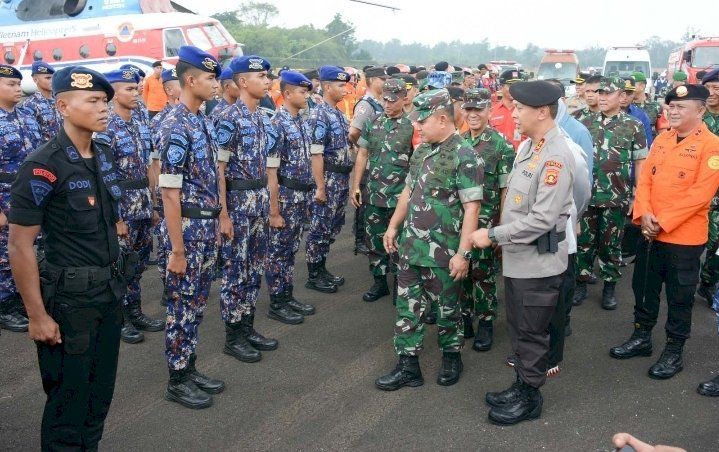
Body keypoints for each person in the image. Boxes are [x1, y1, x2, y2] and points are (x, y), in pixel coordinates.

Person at [8, 66, 127, 450]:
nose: (103, 108)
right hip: (70, 300)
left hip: (108, 293)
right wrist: (37, 316)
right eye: (92, 100)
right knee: (68, 404)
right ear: (62, 105)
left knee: (99, 398)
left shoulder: (104, 154)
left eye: (105, 101)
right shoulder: (43, 165)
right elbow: (20, 245)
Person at [471, 80, 574, 426]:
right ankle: (521, 385)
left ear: (542, 112)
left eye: (519, 108)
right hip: (521, 261)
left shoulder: (557, 154)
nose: (512, 113)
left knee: (531, 333)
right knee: (519, 330)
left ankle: (531, 398)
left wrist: (493, 234)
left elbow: (543, 218)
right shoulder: (533, 146)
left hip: (538, 264)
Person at [374, 88, 483, 391]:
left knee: (448, 310)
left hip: (444, 253)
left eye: (422, 122)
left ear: (442, 119)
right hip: (411, 248)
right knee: (407, 308)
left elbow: (472, 209)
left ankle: (451, 357)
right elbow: (408, 192)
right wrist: (394, 226)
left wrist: (463, 254)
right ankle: (408, 367)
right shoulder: (422, 151)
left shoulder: (466, 156)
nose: (417, 127)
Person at [610, 84, 719, 380]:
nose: (673, 110)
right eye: (670, 106)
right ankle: (641, 336)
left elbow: (700, 194)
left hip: (683, 238)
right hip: (649, 233)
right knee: (643, 288)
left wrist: (661, 221)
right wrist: (644, 214)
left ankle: (674, 349)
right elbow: (644, 180)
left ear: (700, 110)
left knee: (679, 296)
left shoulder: (712, 146)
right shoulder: (661, 139)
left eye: (681, 107)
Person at [157, 46, 225, 409]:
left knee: (196, 304)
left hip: (203, 227)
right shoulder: (175, 125)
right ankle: (177, 378)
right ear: (191, 80)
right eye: (211, 78)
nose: (216, 84)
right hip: (185, 232)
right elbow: (170, 194)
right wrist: (177, 250)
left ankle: (189, 365)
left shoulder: (202, 120)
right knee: (181, 305)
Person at [214, 55, 287, 366]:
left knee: (254, 268)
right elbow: (219, 169)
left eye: (268, 76)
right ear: (243, 82)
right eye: (261, 77)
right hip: (238, 205)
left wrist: (273, 207)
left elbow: (269, 171)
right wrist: (223, 214)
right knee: (235, 271)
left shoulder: (263, 118)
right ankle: (233, 336)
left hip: (258, 203)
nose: (267, 81)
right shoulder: (228, 118)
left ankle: (247, 326)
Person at [96, 68, 164, 344]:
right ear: (113, 92)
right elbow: (104, 176)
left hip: (142, 203)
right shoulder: (105, 125)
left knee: (136, 264)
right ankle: (118, 319)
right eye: (129, 89)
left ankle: (134, 311)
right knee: (118, 266)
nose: (136, 94)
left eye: (137, 88)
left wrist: (155, 204)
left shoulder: (139, 121)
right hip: (121, 204)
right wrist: (116, 218)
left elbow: (149, 165)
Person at [574, 77, 647, 310]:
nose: (602, 97)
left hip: (616, 196)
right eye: (599, 92)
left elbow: (641, 164)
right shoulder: (584, 122)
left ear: (621, 97)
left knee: (611, 244)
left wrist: (638, 196)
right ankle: (581, 283)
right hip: (587, 196)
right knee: (584, 242)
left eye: (607, 93)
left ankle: (609, 287)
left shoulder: (633, 125)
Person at [459, 88, 514, 352]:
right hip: (459, 221)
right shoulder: (457, 142)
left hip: (486, 222)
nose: (472, 114)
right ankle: (465, 316)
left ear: (488, 112)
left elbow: (506, 189)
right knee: (461, 271)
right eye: (468, 109)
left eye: (478, 109)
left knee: (483, 275)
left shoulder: (501, 145)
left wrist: (501, 229)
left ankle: (487, 322)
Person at [351, 78, 414, 303]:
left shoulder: (413, 126)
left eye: (392, 99)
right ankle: (379, 283)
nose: (387, 103)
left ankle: (401, 284)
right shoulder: (373, 122)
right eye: (384, 98)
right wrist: (356, 185)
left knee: (400, 243)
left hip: (400, 198)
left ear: (403, 99)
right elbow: (363, 154)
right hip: (374, 194)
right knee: (374, 242)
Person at [264, 70, 317, 325]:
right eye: (301, 91)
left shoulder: (301, 122)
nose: (306, 95)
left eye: (306, 91)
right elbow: (271, 172)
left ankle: (287, 295)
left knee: (290, 250)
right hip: (285, 197)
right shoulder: (277, 124)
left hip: (300, 197)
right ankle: (277, 301)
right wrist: (274, 211)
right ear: (286, 94)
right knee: (277, 252)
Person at [0, 65, 42, 333]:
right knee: (5, 253)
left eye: (18, 84)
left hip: (29, 193)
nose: (18, 89)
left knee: (27, 248)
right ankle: (5, 307)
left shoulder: (26, 115)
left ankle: (22, 299)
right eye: (10, 85)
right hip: (4, 196)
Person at [304, 66, 351, 293]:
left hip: (340, 178)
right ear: (327, 86)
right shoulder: (319, 114)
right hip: (328, 177)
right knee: (319, 227)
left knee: (331, 226)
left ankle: (322, 268)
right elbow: (316, 153)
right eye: (341, 85)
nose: (346, 90)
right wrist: (320, 187)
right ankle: (314, 274)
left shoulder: (338, 114)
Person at [149, 68, 180, 307]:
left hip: (189, 198)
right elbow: (156, 164)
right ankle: (168, 285)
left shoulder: (197, 117)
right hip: (167, 193)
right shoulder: (162, 121)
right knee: (167, 243)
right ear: (169, 89)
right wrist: (156, 198)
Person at [349, 66, 387, 256]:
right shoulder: (367, 105)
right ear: (371, 80)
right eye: (382, 79)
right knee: (362, 200)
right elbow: (354, 132)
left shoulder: (379, 103)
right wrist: (365, 148)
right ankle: (360, 239)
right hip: (368, 162)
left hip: (377, 163)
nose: (385, 82)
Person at [696, 68, 719, 303]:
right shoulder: (697, 118)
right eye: (708, 88)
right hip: (697, 192)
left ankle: (708, 281)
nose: (711, 93)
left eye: (716, 89)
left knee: (715, 243)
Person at [21, 61, 62, 143]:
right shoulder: (30, 104)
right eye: (48, 78)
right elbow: (31, 136)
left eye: (53, 78)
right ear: (35, 80)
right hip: (46, 152)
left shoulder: (60, 101)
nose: (52, 81)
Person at [490, 69, 523, 150]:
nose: (515, 89)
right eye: (510, 85)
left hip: (520, 156)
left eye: (518, 85)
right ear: (501, 86)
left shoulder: (528, 110)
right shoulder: (492, 110)